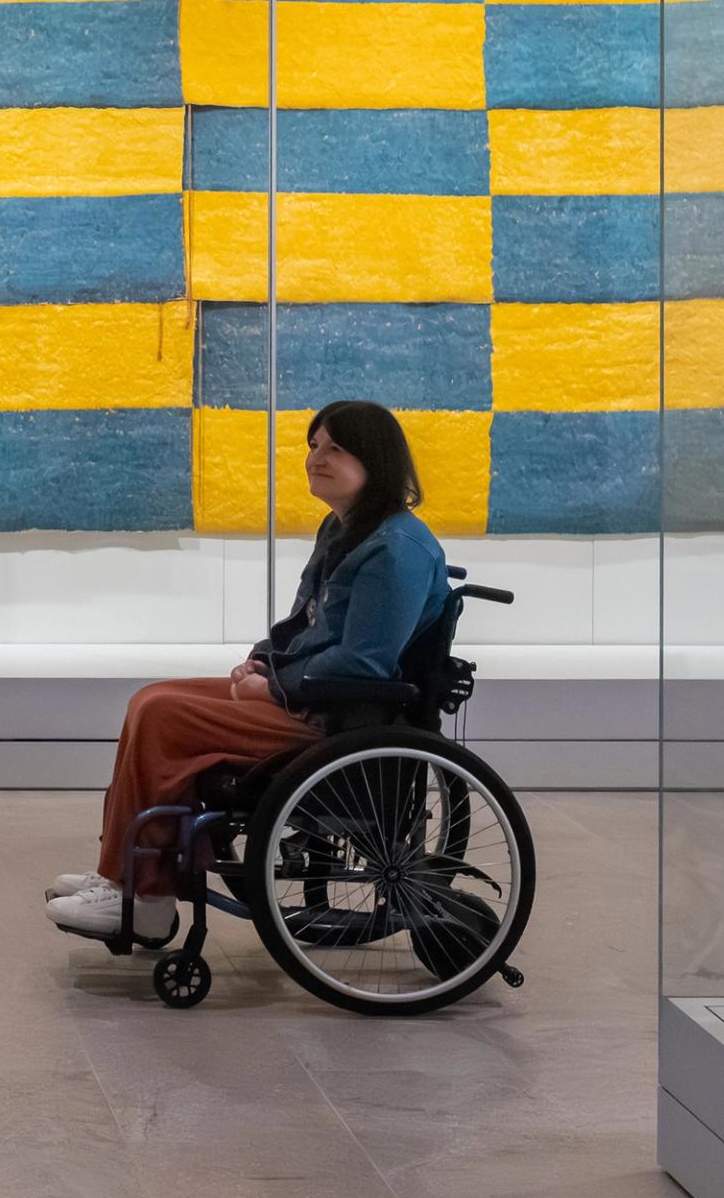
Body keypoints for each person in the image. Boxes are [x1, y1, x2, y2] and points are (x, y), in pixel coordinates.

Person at [47, 399, 451, 941]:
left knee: (165, 716)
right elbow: (305, 623)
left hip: (341, 719)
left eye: (334, 447)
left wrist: (274, 688)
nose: (316, 457)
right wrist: (262, 658)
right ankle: (121, 875)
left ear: (374, 460)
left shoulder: (397, 548)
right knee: (151, 698)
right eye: (313, 446)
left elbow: (365, 662)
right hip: (309, 694)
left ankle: (146, 898)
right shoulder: (345, 529)